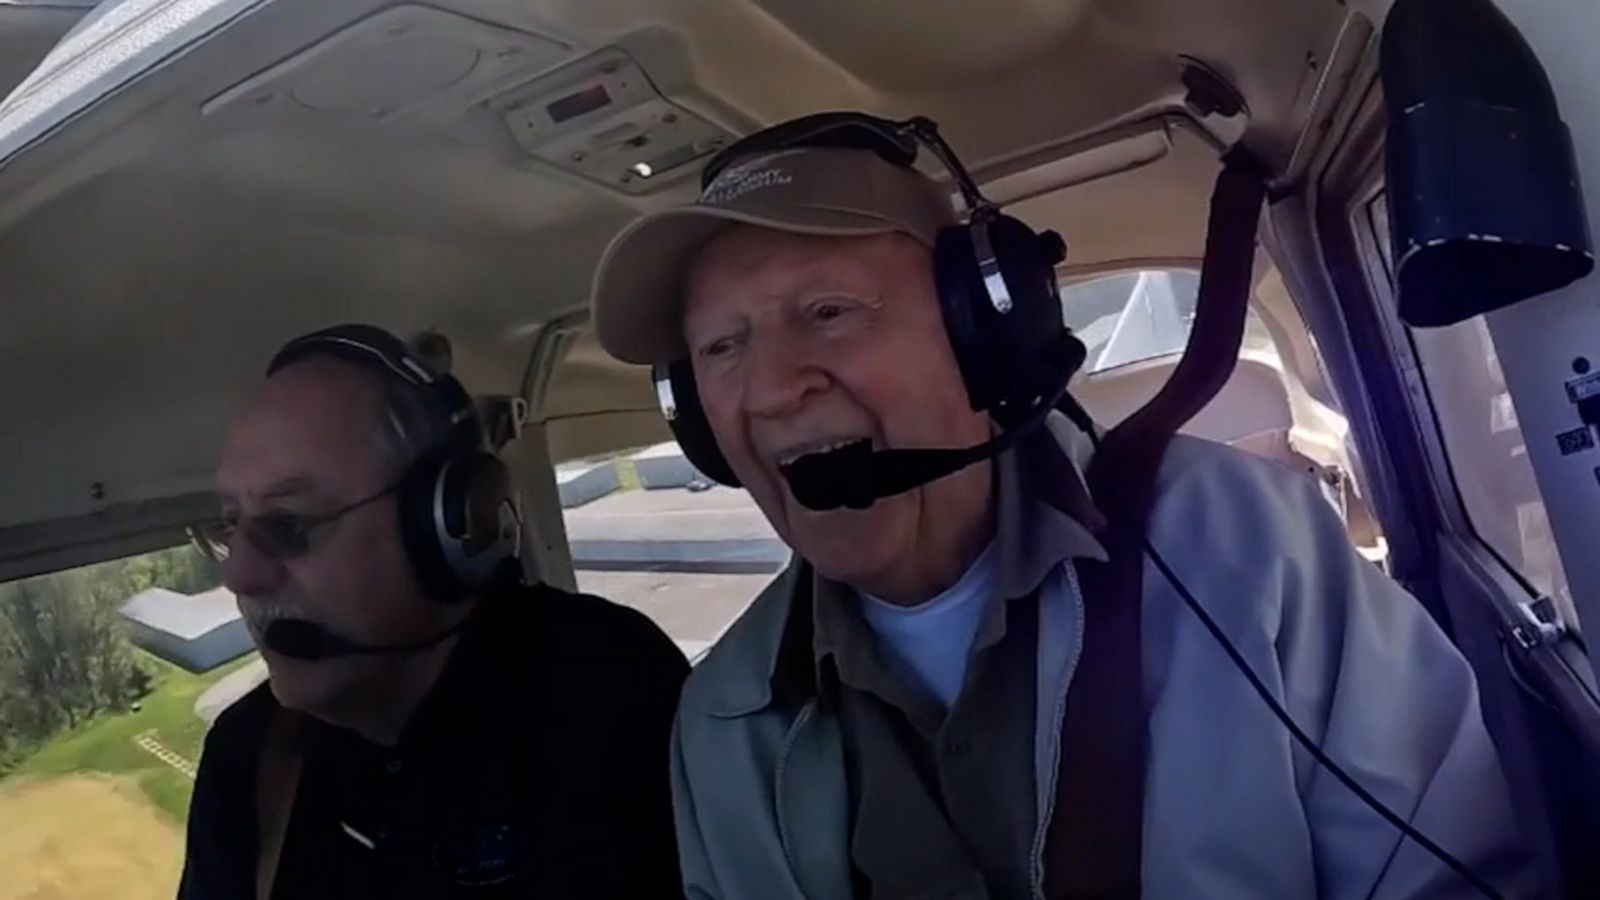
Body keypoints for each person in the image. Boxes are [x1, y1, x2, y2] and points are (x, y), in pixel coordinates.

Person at [589, 115, 1538, 898]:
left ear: (984, 331)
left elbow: (1450, 878)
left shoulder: (1254, 549)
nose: (769, 388)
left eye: (828, 311)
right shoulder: (721, 719)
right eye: (722, 348)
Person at [179, 324, 688, 899]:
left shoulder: (612, 690)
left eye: (291, 523)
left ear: (448, 524)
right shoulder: (249, 757)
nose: (239, 575)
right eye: (230, 523)